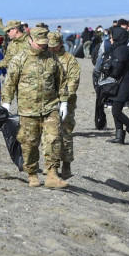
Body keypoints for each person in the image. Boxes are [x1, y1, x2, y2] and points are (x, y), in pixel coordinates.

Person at [1, 27, 69, 189]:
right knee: (30, 143)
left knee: (53, 140)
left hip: (50, 107)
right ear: (30, 40)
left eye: (45, 44)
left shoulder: (52, 58)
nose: (42, 46)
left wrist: (64, 101)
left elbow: (61, 81)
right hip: (28, 110)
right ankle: (32, 174)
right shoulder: (20, 59)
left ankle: (52, 174)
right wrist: (6, 103)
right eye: (39, 44)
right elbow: (10, 83)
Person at [48, 32, 81, 180]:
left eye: (54, 46)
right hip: (48, 101)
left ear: (61, 44)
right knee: (49, 135)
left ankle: (66, 165)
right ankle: (50, 166)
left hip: (66, 102)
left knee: (65, 133)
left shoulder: (70, 60)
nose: (52, 49)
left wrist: (65, 100)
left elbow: (73, 82)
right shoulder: (46, 58)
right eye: (50, 46)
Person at [104, 26, 129, 145]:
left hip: (122, 84)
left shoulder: (120, 50)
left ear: (117, 38)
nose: (110, 40)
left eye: (111, 38)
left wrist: (107, 70)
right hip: (121, 84)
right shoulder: (120, 48)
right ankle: (119, 136)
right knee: (116, 110)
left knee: (116, 111)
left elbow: (117, 68)